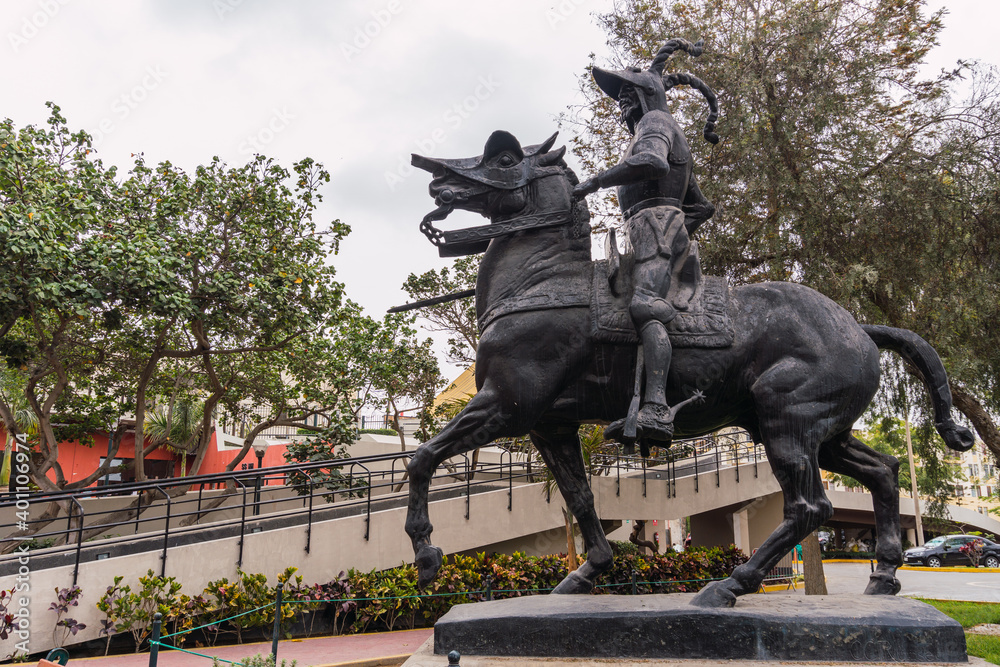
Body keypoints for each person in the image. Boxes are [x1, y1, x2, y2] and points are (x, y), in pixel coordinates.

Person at [575, 38, 719, 444]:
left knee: (644, 307)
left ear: (645, 95)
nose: (622, 104)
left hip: (654, 228)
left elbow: (653, 162)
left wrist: (594, 183)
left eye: (626, 95)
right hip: (653, 229)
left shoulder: (654, 124)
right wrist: (678, 231)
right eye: (619, 98)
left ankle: (656, 408)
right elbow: (702, 206)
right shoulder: (662, 129)